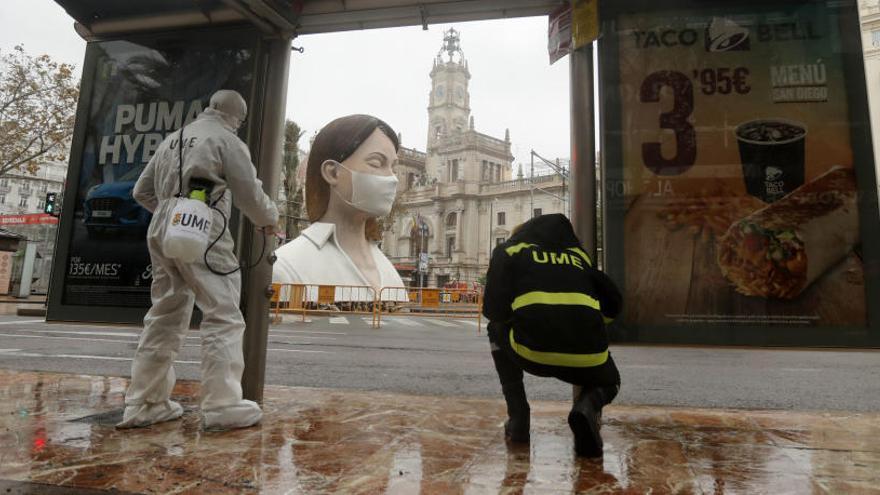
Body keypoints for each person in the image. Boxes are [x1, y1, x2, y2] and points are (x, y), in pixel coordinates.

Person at [118, 89, 278, 430]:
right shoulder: (226, 140)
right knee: (222, 313)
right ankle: (222, 404)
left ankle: (143, 402)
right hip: (201, 225)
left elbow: (140, 192)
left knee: (163, 313)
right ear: (236, 116)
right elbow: (250, 192)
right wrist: (269, 221)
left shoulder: (172, 140)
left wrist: (169, 211)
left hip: (162, 225)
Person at [482, 213, 622, 458]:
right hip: (587, 358)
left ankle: (519, 417)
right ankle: (587, 407)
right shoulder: (579, 256)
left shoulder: (510, 251)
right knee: (611, 381)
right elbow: (614, 305)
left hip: (531, 353)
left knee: (494, 328)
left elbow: (494, 311)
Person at [273, 114, 406, 300]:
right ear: (333, 172)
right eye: (377, 163)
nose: (393, 178)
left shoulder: (389, 273)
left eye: (393, 167)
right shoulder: (286, 268)